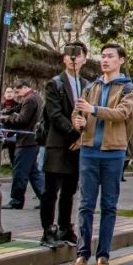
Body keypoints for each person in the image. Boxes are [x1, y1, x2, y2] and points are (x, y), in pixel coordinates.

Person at [71, 42, 133, 265]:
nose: (105, 60)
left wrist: (93, 110)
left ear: (121, 60)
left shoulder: (128, 89)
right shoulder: (91, 87)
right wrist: (78, 121)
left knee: (109, 205)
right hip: (88, 150)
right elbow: (78, 112)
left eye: (110, 56)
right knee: (86, 204)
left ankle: (103, 254)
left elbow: (122, 113)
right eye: (103, 56)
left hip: (114, 152)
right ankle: (82, 253)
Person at [39, 42, 88, 248]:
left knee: (69, 191)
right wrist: (74, 132)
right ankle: (47, 230)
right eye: (68, 54)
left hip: (78, 147)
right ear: (63, 58)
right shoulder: (55, 83)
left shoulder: (87, 85)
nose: (73, 58)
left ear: (85, 58)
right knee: (51, 191)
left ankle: (65, 227)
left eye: (77, 54)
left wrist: (82, 138)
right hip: (58, 144)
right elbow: (55, 115)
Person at [2, 81, 45, 210]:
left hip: (26, 141)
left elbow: (23, 119)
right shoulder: (36, 97)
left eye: (17, 91)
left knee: (19, 171)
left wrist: (7, 119)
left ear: (25, 88)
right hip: (33, 140)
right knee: (33, 172)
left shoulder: (30, 99)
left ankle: (16, 200)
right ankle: (45, 198)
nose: (16, 94)